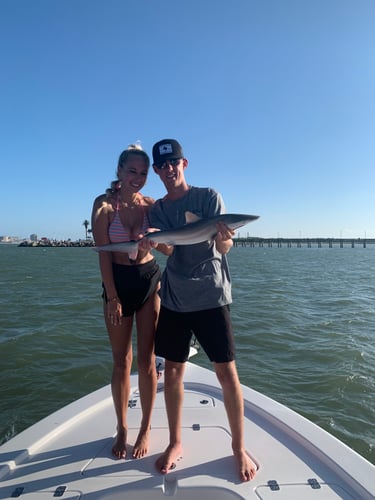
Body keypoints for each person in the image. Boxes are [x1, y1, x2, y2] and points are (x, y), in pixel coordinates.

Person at [147, 139, 257, 482]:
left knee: (227, 374)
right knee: (174, 374)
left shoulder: (208, 197)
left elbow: (225, 246)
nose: (169, 170)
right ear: (156, 170)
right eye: (162, 166)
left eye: (174, 163)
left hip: (212, 296)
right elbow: (169, 250)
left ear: (184, 163)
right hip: (176, 298)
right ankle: (176, 443)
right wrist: (155, 241)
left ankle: (238, 448)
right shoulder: (157, 211)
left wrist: (224, 235)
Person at [91, 144, 166, 460]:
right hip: (118, 282)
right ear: (119, 171)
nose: (137, 178)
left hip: (149, 280)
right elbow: (104, 255)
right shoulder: (104, 206)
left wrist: (158, 239)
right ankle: (122, 427)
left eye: (143, 173)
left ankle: (146, 427)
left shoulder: (152, 206)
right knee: (122, 360)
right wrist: (112, 296)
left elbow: (170, 251)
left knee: (147, 360)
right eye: (131, 171)